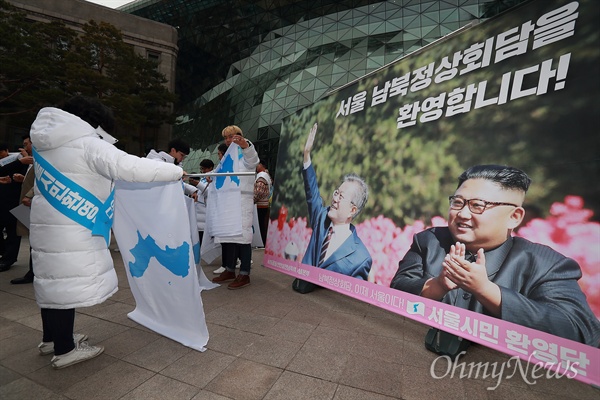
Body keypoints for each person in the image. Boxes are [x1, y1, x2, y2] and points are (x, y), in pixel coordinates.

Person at [29, 95, 184, 369]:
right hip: (73, 230)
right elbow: (130, 166)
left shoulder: (47, 145)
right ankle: (65, 350)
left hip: (48, 227)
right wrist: (175, 172)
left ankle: (51, 339)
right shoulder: (86, 143)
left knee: (53, 281)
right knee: (64, 284)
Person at [390, 164, 600, 346]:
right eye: (457, 202)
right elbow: (396, 292)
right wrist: (437, 286)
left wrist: (487, 290)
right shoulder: (430, 241)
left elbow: (579, 331)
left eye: (477, 206)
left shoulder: (547, 264)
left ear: (514, 217)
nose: (462, 214)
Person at [294, 123, 372, 293]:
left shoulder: (361, 257)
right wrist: (306, 155)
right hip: (298, 293)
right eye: (336, 192)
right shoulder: (321, 218)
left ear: (353, 210)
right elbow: (312, 192)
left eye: (341, 196)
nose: (334, 198)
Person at [211, 125, 259, 289]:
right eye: (226, 137)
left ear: (240, 136)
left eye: (232, 136)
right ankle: (230, 269)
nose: (228, 140)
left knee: (243, 239)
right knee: (228, 236)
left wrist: (246, 145)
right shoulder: (227, 159)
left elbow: (253, 160)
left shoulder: (245, 154)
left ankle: (244, 274)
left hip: (241, 202)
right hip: (227, 203)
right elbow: (217, 174)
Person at [0, 136, 32, 271]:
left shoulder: (34, 160)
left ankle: (8, 258)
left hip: (20, 201)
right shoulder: (19, 160)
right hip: (5, 200)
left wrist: (22, 178)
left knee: (14, 232)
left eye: (26, 144)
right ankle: (5, 253)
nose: (23, 148)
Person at [10, 155, 36, 284]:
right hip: (28, 206)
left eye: (27, 143)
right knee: (33, 240)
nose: (25, 147)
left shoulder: (45, 160)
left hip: (34, 205)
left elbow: (42, 181)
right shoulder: (32, 161)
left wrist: (29, 195)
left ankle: (33, 273)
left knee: (36, 241)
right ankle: (33, 271)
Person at [189, 159, 214, 245]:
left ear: (210, 168)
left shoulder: (213, 178)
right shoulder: (203, 179)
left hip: (205, 213)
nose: (203, 171)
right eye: (201, 169)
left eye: (204, 169)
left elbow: (208, 192)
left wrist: (198, 184)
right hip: (198, 213)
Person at [254, 160, 271, 247]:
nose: (256, 167)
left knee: (261, 226)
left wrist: (252, 200)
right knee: (264, 225)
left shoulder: (261, 176)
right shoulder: (266, 175)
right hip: (265, 203)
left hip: (260, 205)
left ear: (261, 165)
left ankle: (263, 242)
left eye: (258, 165)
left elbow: (258, 192)